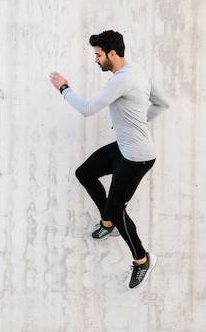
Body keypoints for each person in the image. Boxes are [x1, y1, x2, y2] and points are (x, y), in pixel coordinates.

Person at [49, 30, 169, 289]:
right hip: (125, 147)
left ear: (111, 54)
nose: (95, 59)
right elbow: (162, 104)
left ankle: (142, 259)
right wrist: (136, 124)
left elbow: (87, 108)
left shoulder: (121, 80)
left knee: (117, 209)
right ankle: (108, 223)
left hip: (137, 158)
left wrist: (64, 88)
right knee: (85, 173)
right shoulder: (139, 73)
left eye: (98, 54)